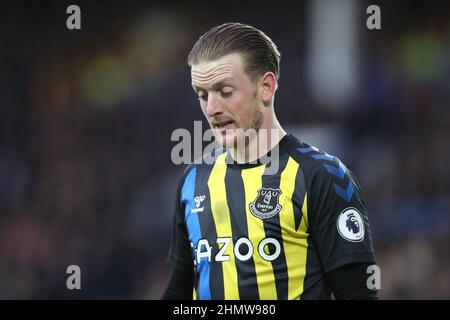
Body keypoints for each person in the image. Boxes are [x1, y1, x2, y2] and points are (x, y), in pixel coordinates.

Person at [162, 22, 377, 300]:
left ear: (266, 86)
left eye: (225, 91)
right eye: (202, 95)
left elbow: (357, 292)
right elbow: (180, 290)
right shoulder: (192, 181)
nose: (212, 109)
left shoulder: (322, 176)